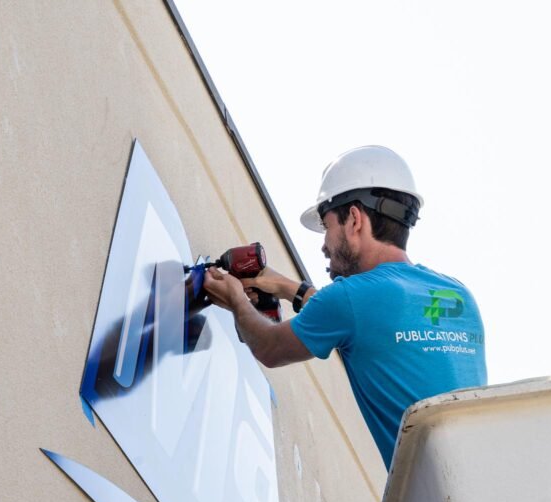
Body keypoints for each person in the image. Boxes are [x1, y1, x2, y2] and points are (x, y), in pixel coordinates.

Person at [202, 146, 487, 470]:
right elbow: (376, 324)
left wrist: (236, 299)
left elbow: (270, 347)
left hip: (427, 500)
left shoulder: (349, 298)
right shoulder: (458, 295)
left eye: (327, 227)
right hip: (483, 486)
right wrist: (288, 289)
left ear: (353, 219)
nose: (324, 245)